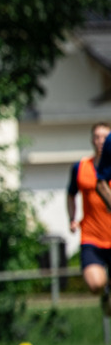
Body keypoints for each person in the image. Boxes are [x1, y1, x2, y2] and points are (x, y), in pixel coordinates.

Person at [71, 122, 111, 317]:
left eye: (105, 137)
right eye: (97, 137)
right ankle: (105, 289)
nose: (101, 141)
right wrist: (72, 218)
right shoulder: (81, 167)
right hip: (92, 237)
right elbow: (72, 193)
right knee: (95, 284)